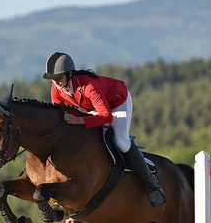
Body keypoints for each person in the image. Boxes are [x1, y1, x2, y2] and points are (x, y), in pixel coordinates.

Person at [43, 51, 167, 207]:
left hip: (117, 102)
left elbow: (107, 116)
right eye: (53, 80)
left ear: (69, 74)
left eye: (59, 78)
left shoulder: (88, 86)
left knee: (120, 141)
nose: (56, 83)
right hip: (91, 108)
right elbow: (59, 114)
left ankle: (152, 184)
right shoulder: (56, 89)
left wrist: (79, 120)